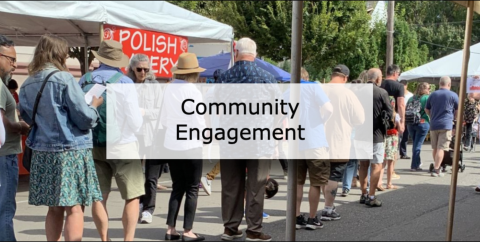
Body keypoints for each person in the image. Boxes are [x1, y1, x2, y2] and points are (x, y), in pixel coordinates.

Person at [18, 34, 104, 241]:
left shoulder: (28, 83)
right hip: (69, 150)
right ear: (58, 54)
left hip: (42, 151)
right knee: (74, 207)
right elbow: (83, 118)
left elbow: (28, 118)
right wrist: (93, 107)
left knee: (54, 207)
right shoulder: (63, 78)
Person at [79, 40, 144, 241]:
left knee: (99, 196)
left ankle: (104, 238)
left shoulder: (83, 80)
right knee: (132, 195)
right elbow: (134, 121)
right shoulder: (125, 82)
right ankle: (128, 239)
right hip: (123, 144)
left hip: (94, 144)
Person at [216, 37, 274, 242]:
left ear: (236, 52)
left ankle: (230, 228)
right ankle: (254, 229)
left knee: (231, 184)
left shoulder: (224, 78)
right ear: (255, 54)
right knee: (256, 186)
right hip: (259, 140)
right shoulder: (267, 77)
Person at [160, 52, 206, 241]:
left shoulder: (168, 89)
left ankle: (170, 229)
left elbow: (163, 120)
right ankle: (188, 231)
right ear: (193, 73)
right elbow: (198, 120)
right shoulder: (193, 91)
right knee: (192, 188)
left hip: (171, 143)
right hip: (191, 143)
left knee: (177, 186)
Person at [283, 68, 333, 230]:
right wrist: (321, 121)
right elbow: (329, 109)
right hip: (315, 140)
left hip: (296, 140)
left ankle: (296, 216)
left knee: (297, 182)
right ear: (306, 77)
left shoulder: (289, 91)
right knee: (316, 182)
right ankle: (312, 218)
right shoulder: (313, 86)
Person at [322, 64, 364, 221]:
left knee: (323, 176)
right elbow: (360, 119)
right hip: (339, 140)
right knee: (333, 176)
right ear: (346, 77)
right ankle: (328, 208)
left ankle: (324, 206)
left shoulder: (319, 89)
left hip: (319, 140)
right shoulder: (348, 94)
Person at [127, 54, 166, 225]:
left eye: (146, 69)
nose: (143, 72)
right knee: (134, 174)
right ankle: (139, 203)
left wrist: (144, 113)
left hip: (152, 135)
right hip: (133, 135)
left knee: (151, 176)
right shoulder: (127, 84)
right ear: (132, 69)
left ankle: (149, 209)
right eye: (139, 69)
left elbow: (160, 110)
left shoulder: (155, 86)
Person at [0, 34, 29, 242]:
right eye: (10, 59)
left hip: (6, 155)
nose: (14, 64)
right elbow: (3, 123)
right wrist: (21, 127)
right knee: (4, 211)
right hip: (4, 156)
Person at [355, 68, 393, 207]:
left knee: (363, 164)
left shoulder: (357, 92)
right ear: (377, 79)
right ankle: (371, 196)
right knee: (376, 165)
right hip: (376, 134)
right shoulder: (381, 92)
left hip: (359, 134)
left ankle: (363, 193)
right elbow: (389, 113)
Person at [425, 76, 459, 177]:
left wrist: (432, 116)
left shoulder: (433, 94)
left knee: (435, 148)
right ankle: (436, 169)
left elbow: (427, 109)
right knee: (441, 148)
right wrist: (454, 120)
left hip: (434, 124)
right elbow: (457, 110)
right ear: (449, 84)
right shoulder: (453, 95)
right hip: (446, 124)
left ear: (439, 83)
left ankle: (437, 166)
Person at [380, 64, 405, 180]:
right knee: (392, 149)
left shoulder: (380, 84)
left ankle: (378, 178)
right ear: (395, 73)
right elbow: (400, 105)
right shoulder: (399, 86)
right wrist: (402, 122)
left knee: (380, 150)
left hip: (378, 120)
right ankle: (391, 174)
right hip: (393, 122)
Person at [407, 82, 431, 171]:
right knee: (418, 145)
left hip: (410, 123)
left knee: (415, 144)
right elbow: (429, 110)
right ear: (424, 89)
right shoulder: (427, 98)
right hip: (423, 122)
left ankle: (417, 163)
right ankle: (414, 166)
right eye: (428, 88)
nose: (429, 90)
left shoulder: (411, 98)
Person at [379, 97, 400, 190]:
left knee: (382, 162)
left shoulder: (382, 114)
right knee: (390, 162)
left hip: (383, 137)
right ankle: (389, 183)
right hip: (392, 138)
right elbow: (399, 127)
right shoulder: (395, 115)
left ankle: (379, 182)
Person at [399, 80, 413, 159]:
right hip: (398, 116)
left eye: (403, 85)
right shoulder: (397, 93)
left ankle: (403, 152)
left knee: (405, 136)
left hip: (407, 117)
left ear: (406, 86)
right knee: (397, 136)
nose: (402, 87)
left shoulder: (410, 95)